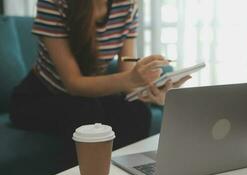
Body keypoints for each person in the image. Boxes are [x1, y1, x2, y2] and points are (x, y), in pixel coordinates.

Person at [9, 0, 190, 166]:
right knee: (84, 113)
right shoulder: (54, 3)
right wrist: (132, 78)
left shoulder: (126, 6)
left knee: (137, 111)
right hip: (39, 96)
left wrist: (151, 91)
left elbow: (126, 76)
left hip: (88, 96)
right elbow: (73, 83)